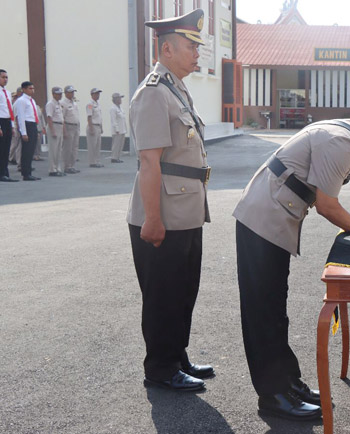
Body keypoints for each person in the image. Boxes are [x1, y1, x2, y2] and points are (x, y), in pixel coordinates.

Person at [232, 107, 350, 421]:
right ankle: (274, 397)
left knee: (274, 312)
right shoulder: (343, 142)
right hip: (263, 220)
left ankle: (288, 384)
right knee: (263, 313)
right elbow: (327, 205)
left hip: (273, 217)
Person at [126, 8, 213, 393]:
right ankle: (160, 368)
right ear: (166, 48)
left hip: (187, 209)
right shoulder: (152, 94)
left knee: (183, 289)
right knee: (162, 294)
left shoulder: (176, 88)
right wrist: (152, 219)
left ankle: (176, 355)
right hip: (163, 212)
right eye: (191, 47)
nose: (197, 54)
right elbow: (149, 161)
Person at [13, 81, 41, 181]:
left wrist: (36, 130)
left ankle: (29, 172)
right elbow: (21, 117)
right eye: (30, 88)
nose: (32, 90)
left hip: (33, 125)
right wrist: (23, 132)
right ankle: (25, 173)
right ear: (24, 89)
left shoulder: (31, 100)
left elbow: (34, 116)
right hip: (27, 125)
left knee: (31, 150)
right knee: (26, 151)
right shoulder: (21, 101)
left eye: (33, 88)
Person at [0, 69, 18, 182]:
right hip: (0, 121)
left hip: (7, 121)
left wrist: (11, 125)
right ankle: (1, 174)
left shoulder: (7, 92)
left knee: (6, 148)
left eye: (6, 77)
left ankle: (5, 172)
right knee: (1, 149)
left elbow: (9, 109)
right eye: (3, 77)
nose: (5, 79)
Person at [45, 86, 65, 177]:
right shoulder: (50, 104)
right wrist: (52, 131)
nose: (60, 95)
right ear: (53, 94)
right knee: (53, 149)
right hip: (54, 125)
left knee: (58, 150)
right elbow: (49, 117)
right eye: (58, 94)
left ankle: (58, 168)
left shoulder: (59, 103)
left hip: (59, 126)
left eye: (61, 94)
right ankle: (52, 169)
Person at [61, 85, 81, 174]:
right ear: (65, 93)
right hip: (68, 126)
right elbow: (62, 118)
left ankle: (72, 165)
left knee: (74, 147)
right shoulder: (63, 103)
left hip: (76, 126)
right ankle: (67, 166)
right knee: (68, 148)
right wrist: (64, 131)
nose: (72, 94)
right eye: (70, 92)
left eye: (73, 92)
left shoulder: (74, 103)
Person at [86, 88, 104, 168]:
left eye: (98, 94)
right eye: (96, 94)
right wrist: (91, 128)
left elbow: (99, 117)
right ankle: (92, 162)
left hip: (98, 126)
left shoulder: (98, 104)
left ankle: (97, 161)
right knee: (92, 145)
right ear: (92, 95)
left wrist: (101, 127)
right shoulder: (90, 104)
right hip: (93, 126)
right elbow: (89, 117)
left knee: (97, 145)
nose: (98, 95)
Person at [109, 92, 126, 163]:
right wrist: (117, 129)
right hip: (117, 130)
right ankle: (114, 157)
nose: (121, 99)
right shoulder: (113, 108)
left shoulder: (120, 108)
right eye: (119, 98)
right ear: (115, 99)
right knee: (116, 144)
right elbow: (114, 120)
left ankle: (118, 157)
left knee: (120, 144)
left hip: (122, 129)